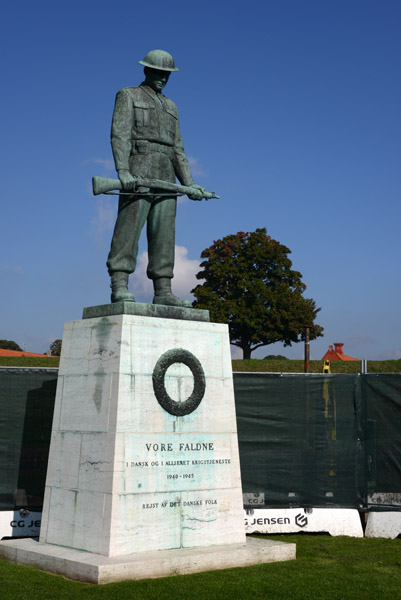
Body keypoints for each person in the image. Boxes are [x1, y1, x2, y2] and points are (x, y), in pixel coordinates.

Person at [106, 49, 205, 307]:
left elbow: (178, 149)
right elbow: (120, 134)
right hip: (138, 167)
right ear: (146, 70)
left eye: (167, 74)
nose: (163, 78)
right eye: (159, 72)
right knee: (128, 229)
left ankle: (163, 290)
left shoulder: (171, 106)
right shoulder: (128, 95)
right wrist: (123, 171)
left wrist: (189, 183)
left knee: (164, 234)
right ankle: (119, 284)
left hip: (166, 175)